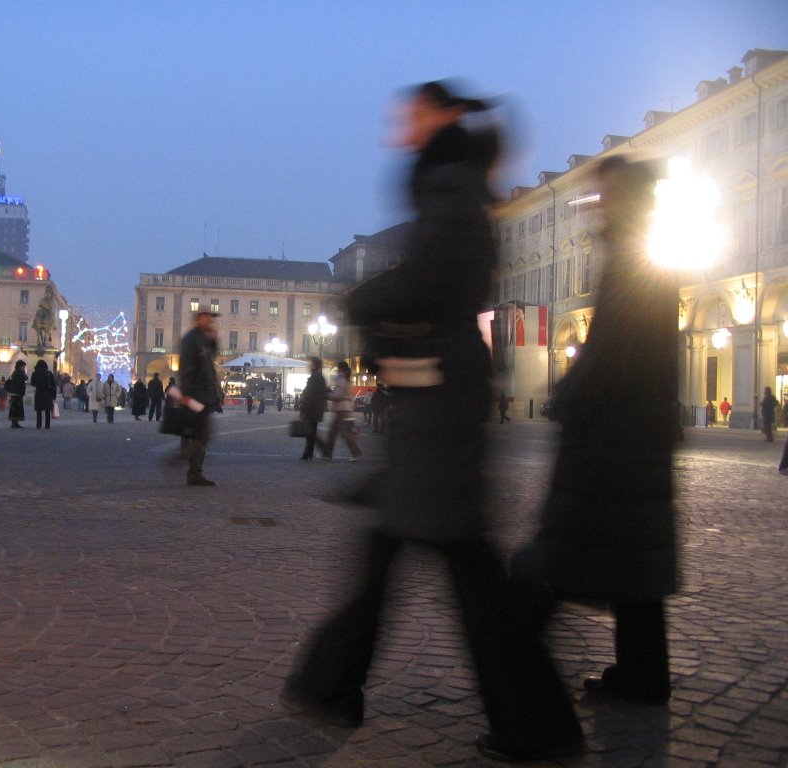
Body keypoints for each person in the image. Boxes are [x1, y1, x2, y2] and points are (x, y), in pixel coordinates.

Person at [283, 80, 581, 762]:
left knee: (460, 576)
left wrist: (361, 301)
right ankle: (335, 685)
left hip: (440, 400)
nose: (402, 125)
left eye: (413, 113)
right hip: (438, 401)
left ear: (443, 116)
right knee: (413, 559)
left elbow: (433, 276)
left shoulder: (447, 184)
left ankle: (534, 724)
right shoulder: (454, 182)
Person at [512, 157, 680, 717]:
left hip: (614, 440)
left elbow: (613, 354)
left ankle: (526, 705)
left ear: (624, 198)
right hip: (638, 437)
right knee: (636, 563)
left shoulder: (632, 259)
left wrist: (568, 396)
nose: (597, 203)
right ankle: (643, 674)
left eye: (604, 193)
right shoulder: (644, 253)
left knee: (557, 560)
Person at [178, 311, 222, 486]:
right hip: (196, 394)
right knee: (202, 432)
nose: (210, 321)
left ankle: (191, 463)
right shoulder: (191, 339)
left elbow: (212, 357)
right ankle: (193, 470)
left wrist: (213, 338)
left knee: (200, 432)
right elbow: (187, 367)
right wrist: (186, 395)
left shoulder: (203, 338)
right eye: (207, 318)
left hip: (204, 394)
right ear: (198, 319)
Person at [320, 361, 362, 461]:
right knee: (334, 432)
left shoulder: (341, 380)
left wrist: (327, 394)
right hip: (343, 408)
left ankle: (356, 452)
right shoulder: (345, 379)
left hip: (341, 409)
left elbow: (338, 395)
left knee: (342, 432)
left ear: (341, 369)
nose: (337, 371)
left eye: (338, 369)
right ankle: (327, 454)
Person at [298, 357, 327, 460]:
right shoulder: (320, 377)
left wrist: (303, 410)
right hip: (316, 409)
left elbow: (309, 395)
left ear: (314, 365)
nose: (309, 366)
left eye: (310, 364)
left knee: (310, 432)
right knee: (311, 432)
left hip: (312, 409)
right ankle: (308, 453)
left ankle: (321, 449)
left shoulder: (314, 378)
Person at [30, 359, 57, 429]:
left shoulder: (35, 373)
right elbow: (53, 385)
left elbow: (32, 383)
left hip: (39, 393)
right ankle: (47, 425)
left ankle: (38, 425)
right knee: (47, 411)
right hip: (47, 394)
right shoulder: (49, 373)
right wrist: (54, 395)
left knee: (39, 411)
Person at [7, 360, 28, 428]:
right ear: (20, 366)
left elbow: (26, 378)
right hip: (17, 393)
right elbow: (19, 382)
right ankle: (15, 422)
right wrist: (21, 391)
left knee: (14, 408)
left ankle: (14, 422)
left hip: (14, 393)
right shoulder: (19, 372)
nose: (24, 368)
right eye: (23, 366)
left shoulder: (15, 372)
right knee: (16, 408)